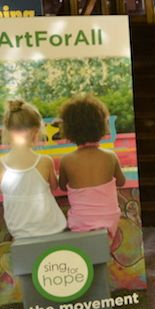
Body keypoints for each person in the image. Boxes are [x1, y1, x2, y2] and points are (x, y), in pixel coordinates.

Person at [0, 99, 66, 239]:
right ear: (36, 132)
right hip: (53, 229)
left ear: (6, 131)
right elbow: (54, 187)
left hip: (20, 233)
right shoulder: (45, 161)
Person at [57, 94, 125, 237]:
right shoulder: (110, 157)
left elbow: (62, 186)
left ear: (69, 129)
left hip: (80, 222)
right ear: (100, 126)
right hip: (109, 219)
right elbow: (121, 181)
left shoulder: (66, 160)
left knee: (86, 252)